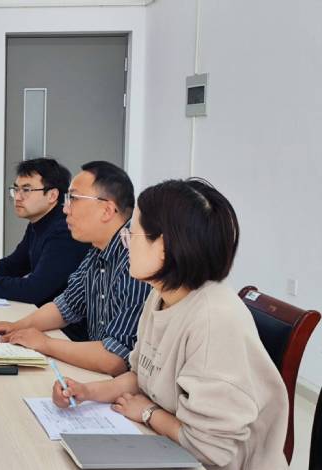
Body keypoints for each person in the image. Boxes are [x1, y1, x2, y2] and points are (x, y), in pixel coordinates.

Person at [52, 179, 289, 469]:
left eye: (132, 234)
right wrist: (88, 392)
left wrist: (149, 413)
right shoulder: (160, 295)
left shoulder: (213, 320)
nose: (126, 244)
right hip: (172, 449)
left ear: (163, 246)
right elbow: (142, 376)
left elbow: (211, 449)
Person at [0, 161, 150, 376]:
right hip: (95, 372)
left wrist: (45, 343)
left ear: (107, 210)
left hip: (118, 383)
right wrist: (18, 326)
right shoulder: (98, 249)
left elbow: (115, 359)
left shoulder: (135, 257)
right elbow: (66, 305)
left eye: (74, 199)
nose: (65, 209)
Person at [0, 158, 90, 306]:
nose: (17, 197)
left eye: (26, 190)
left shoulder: (64, 230)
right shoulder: (39, 222)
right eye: (16, 189)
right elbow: (17, 264)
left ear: (52, 195)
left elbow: (34, 290)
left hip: (63, 319)